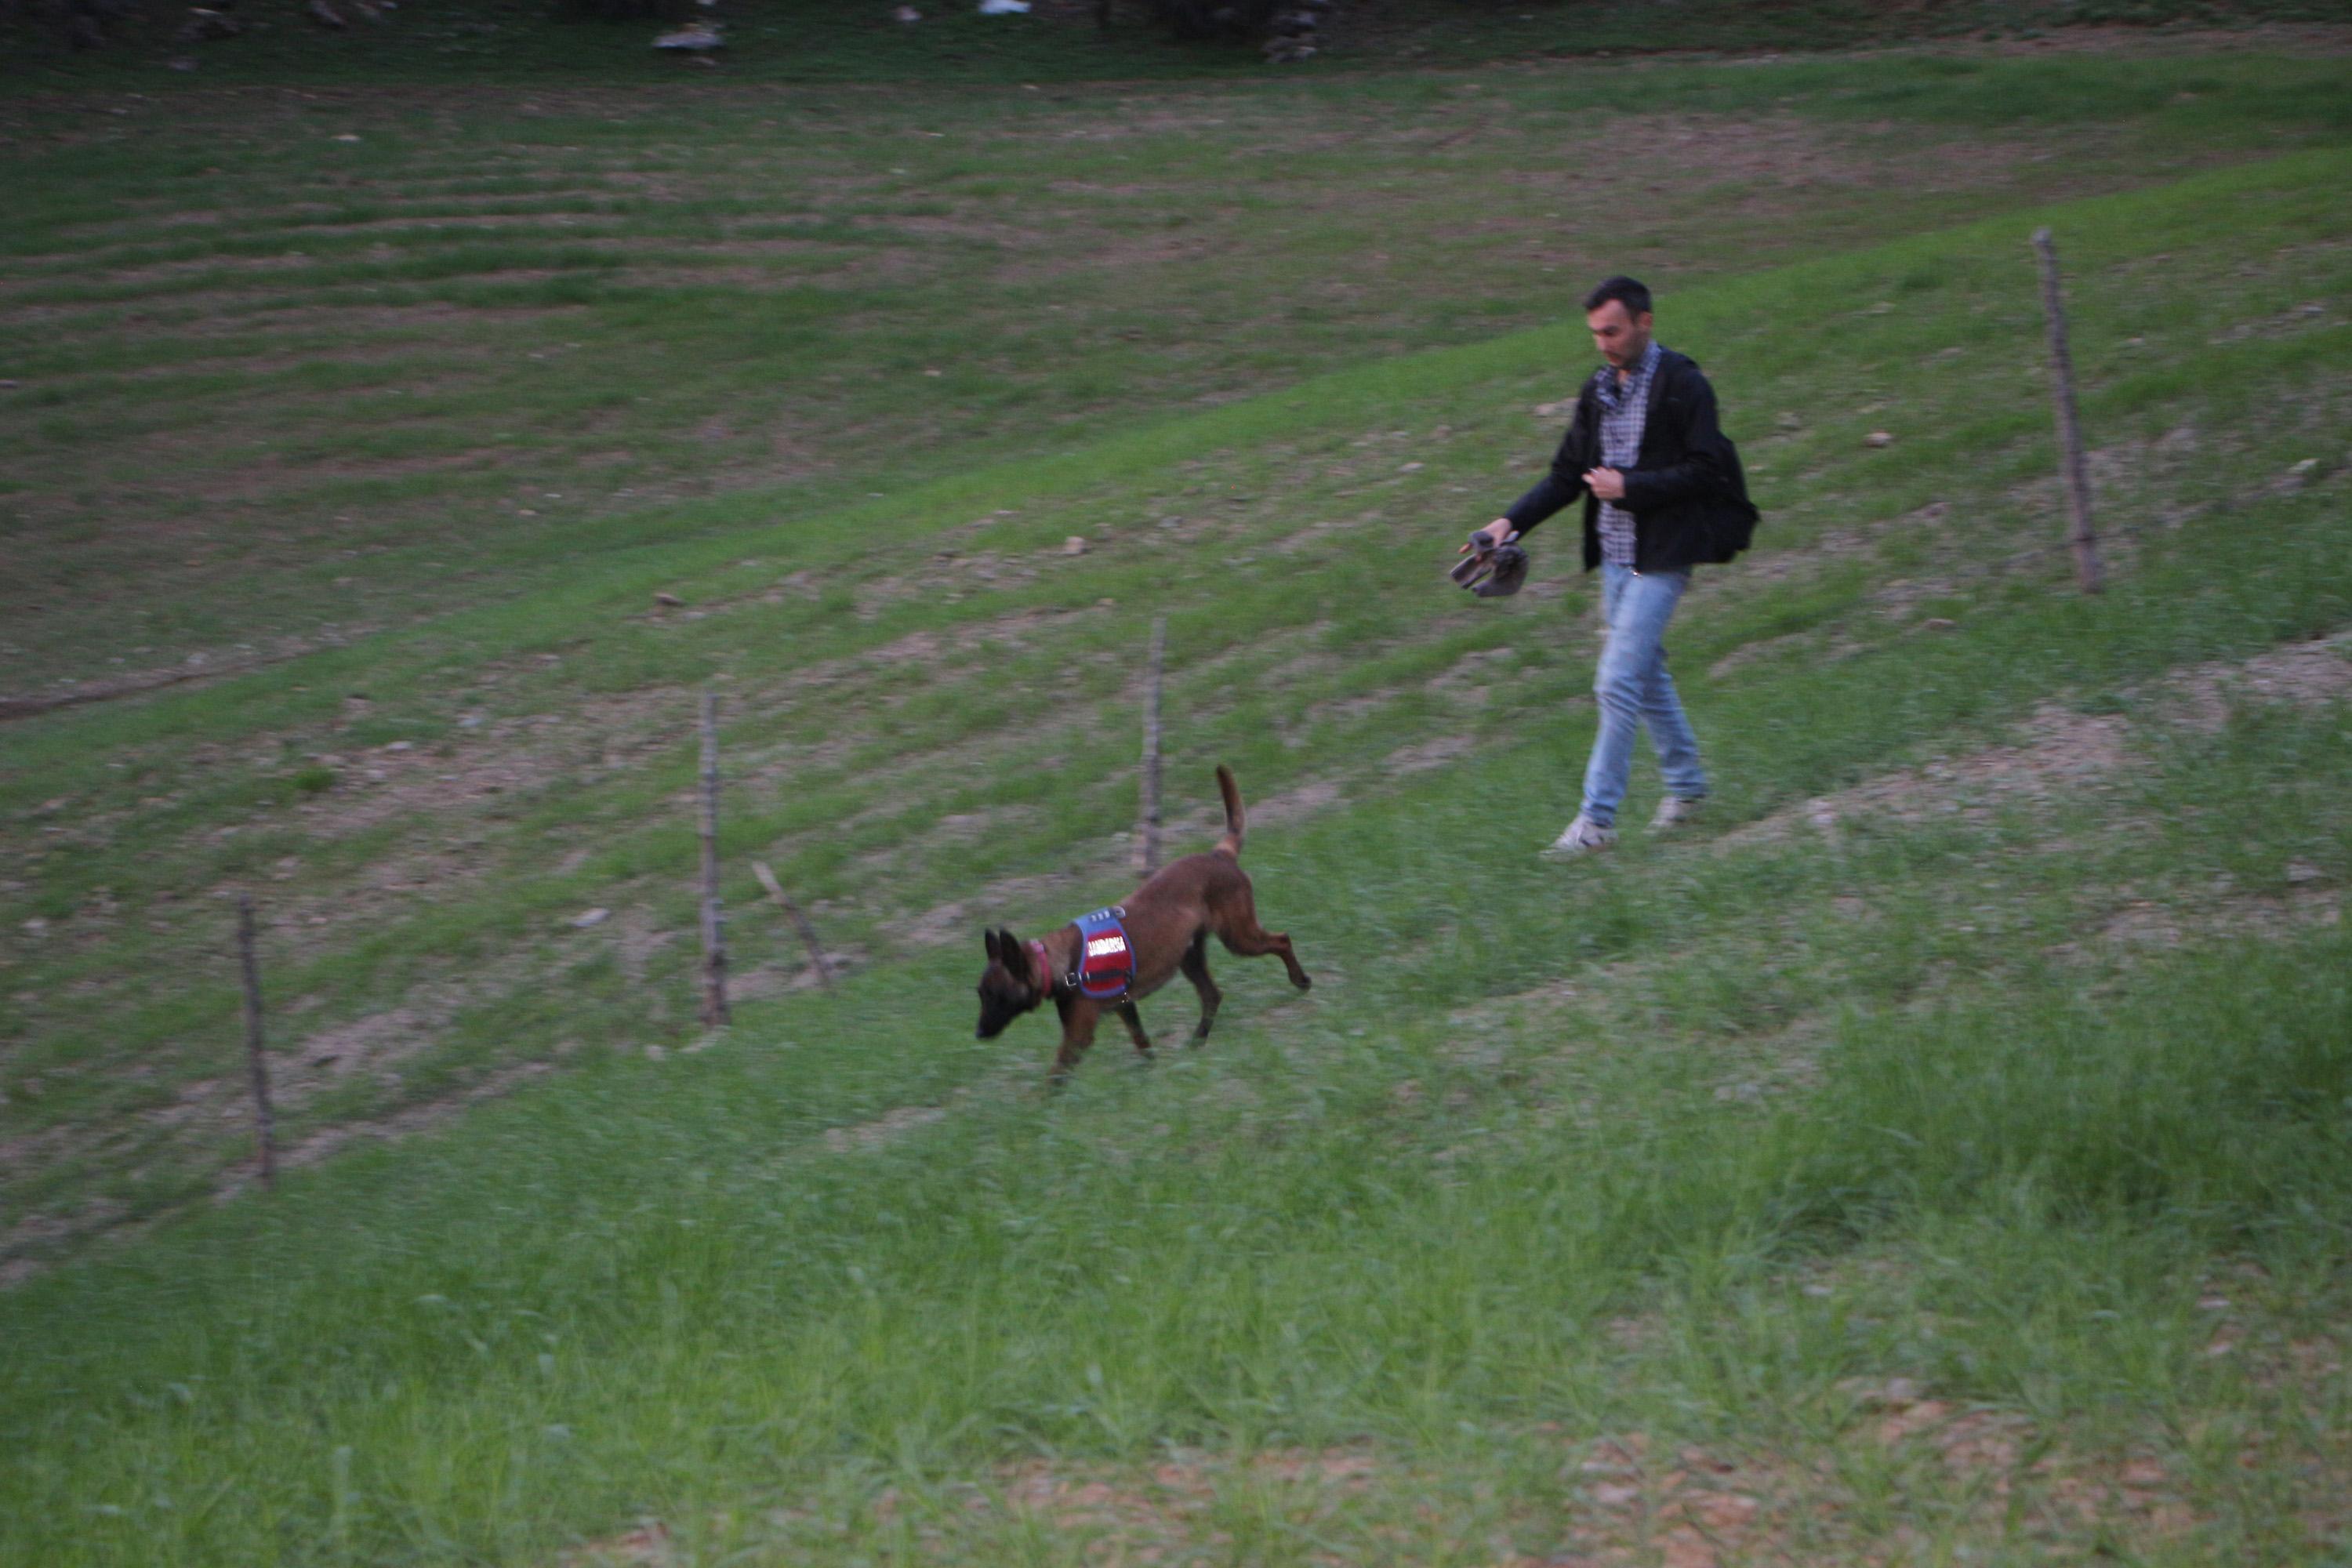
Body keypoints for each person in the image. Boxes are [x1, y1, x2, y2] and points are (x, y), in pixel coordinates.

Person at [1465, 275, 1759, 857]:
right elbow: (1565, 477)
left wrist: (1632, 486)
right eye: (1596, 333)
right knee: (1646, 677)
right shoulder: (1598, 390)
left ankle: (1596, 822)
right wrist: (1508, 523)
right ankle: (1689, 790)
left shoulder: (1683, 384)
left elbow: (1706, 469)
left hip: (1666, 554)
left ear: (1645, 322)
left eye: (1613, 330)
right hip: (1617, 559)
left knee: (1617, 680)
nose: (1603, 342)